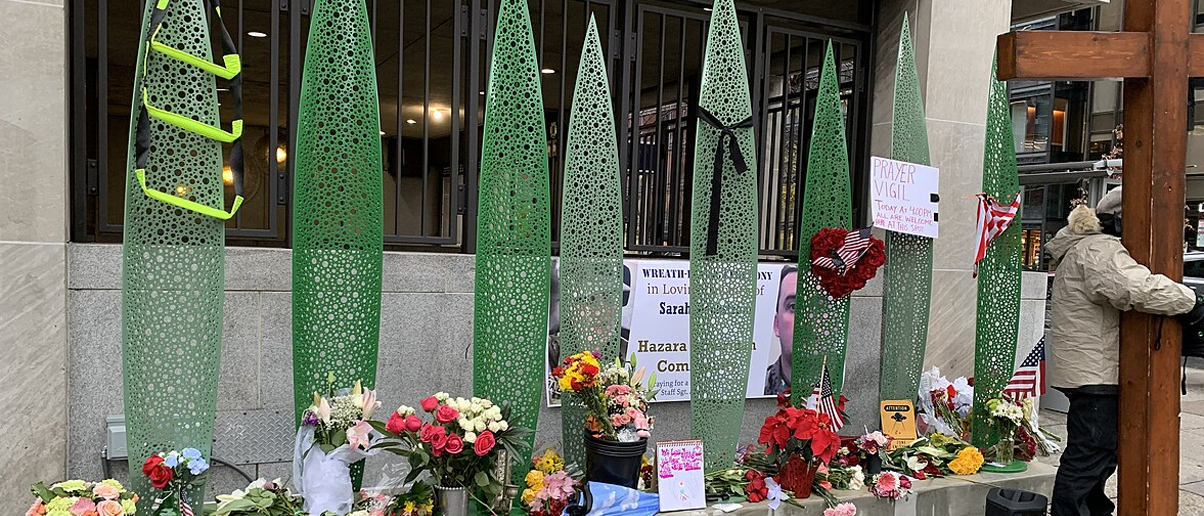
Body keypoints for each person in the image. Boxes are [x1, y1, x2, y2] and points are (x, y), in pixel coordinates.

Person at [1044, 186, 1204, 516]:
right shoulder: (1098, 249)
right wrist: (1190, 302)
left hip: (1090, 367)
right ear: (1121, 220)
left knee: (1097, 455)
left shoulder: (1086, 247)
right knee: (1090, 456)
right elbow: (1135, 287)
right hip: (1094, 371)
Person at [764, 264, 797, 396]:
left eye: (816, 306)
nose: (805, 319)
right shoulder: (761, 385)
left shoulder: (834, 385)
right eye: (794, 306)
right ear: (777, 325)